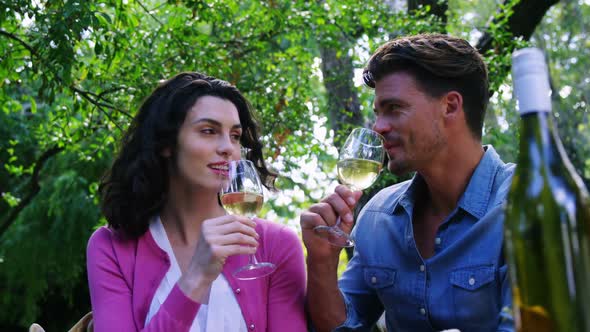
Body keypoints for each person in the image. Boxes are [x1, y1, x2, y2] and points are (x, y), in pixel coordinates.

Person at [301, 34, 515, 332]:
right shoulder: (377, 216)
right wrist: (321, 262)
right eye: (378, 113)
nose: (378, 127)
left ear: (450, 106)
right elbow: (342, 328)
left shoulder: (525, 203)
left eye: (394, 108)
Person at [87, 72, 307, 331]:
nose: (227, 147)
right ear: (166, 143)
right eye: (208, 131)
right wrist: (195, 278)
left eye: (235, 136)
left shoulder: (276, 245)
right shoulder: (110, 248)